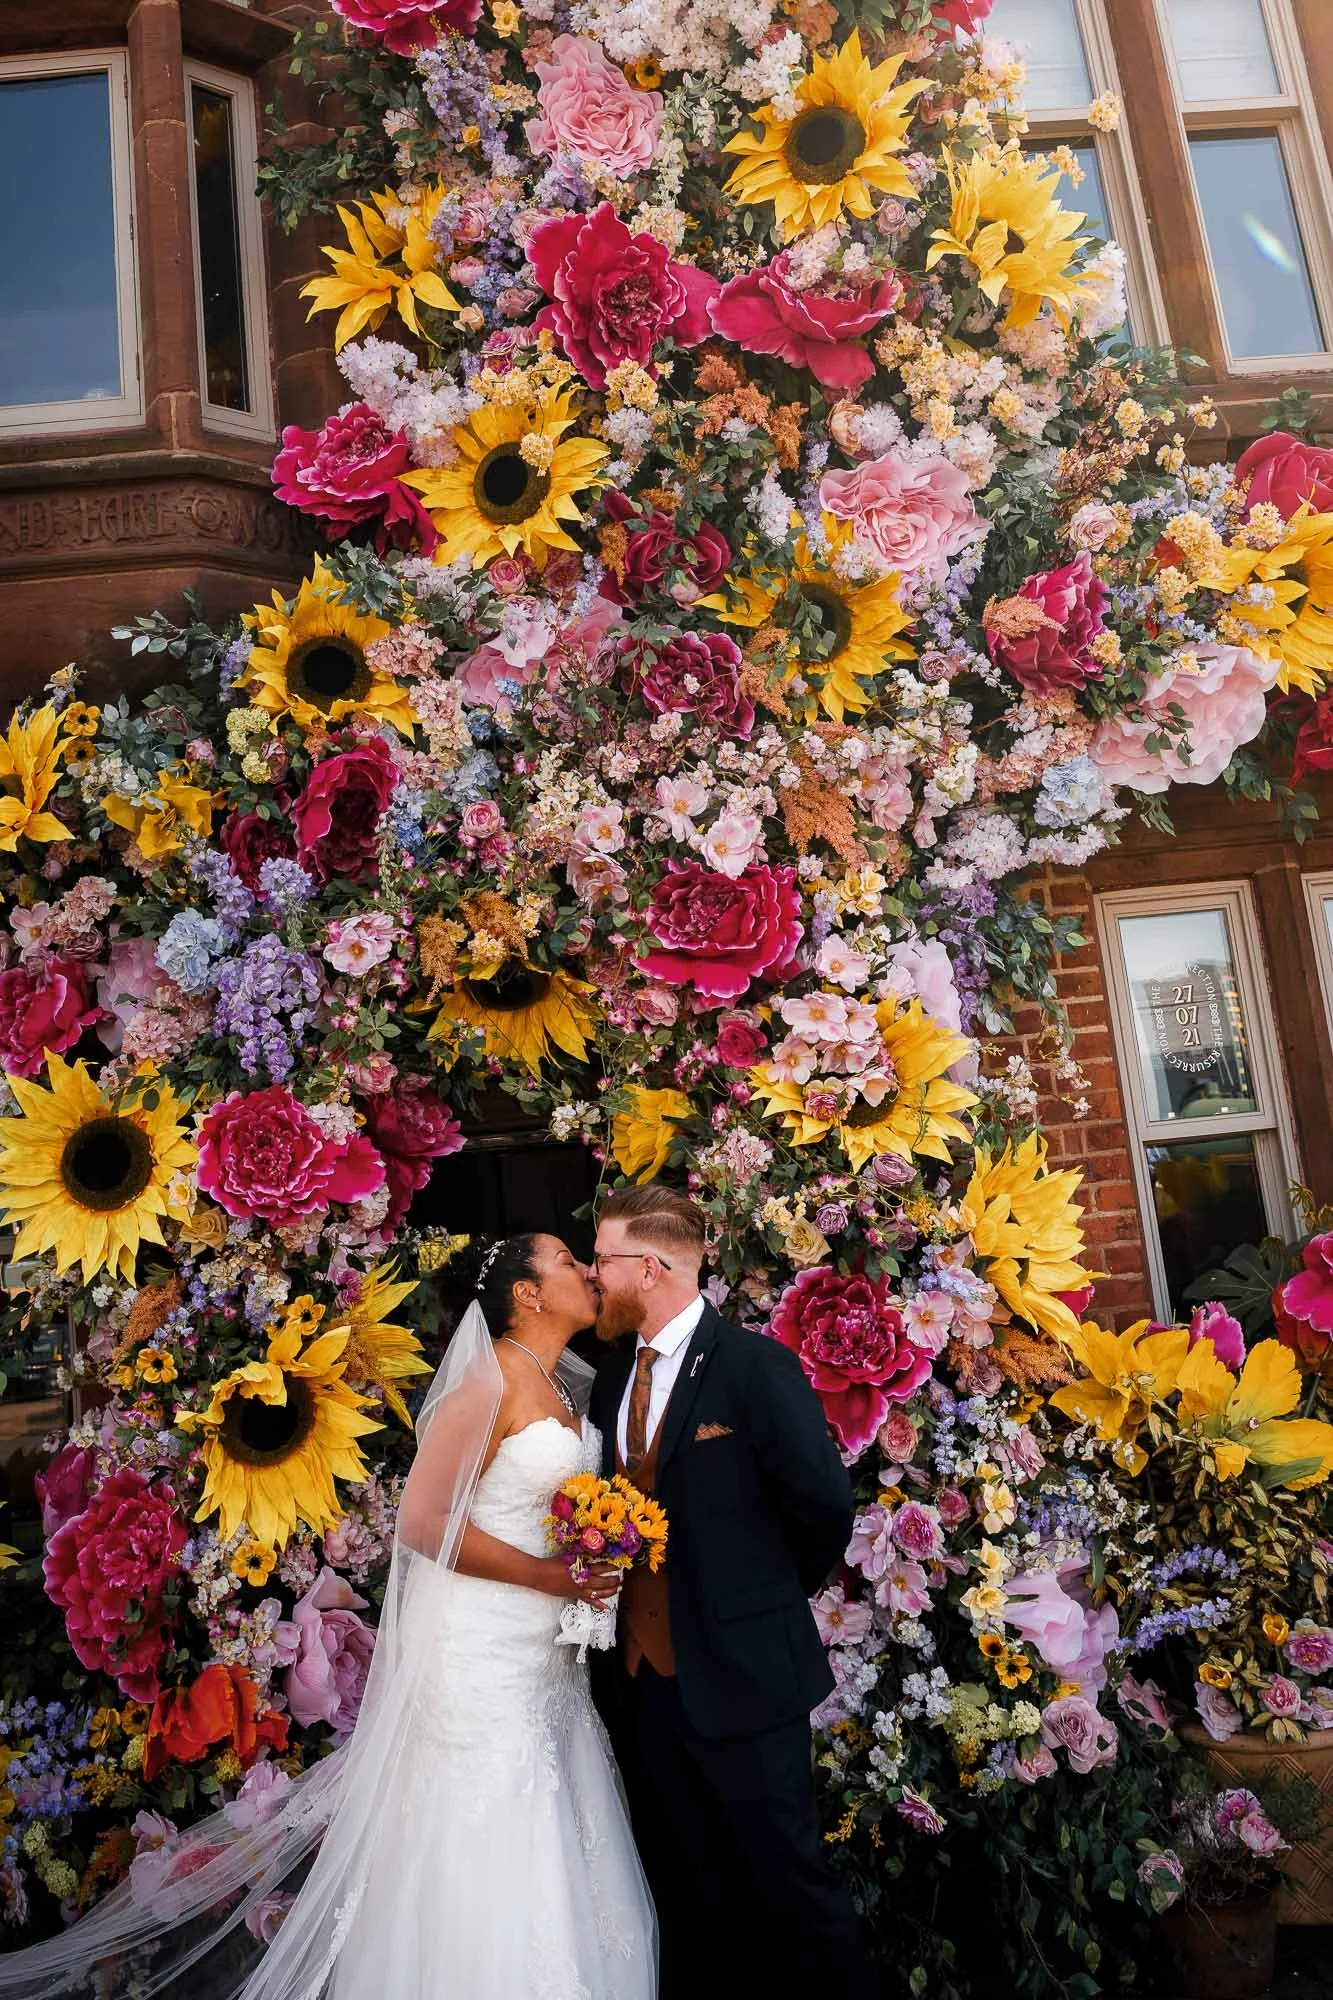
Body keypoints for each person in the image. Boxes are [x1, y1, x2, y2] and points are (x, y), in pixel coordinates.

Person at [0, 1233, 655, 2000]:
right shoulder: (491, 1378)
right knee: (487, 1819)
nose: (585, 1271)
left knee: (554, 1807)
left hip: (543, 1653)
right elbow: (421, 1521)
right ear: (528, 1294)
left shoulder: (564, 1381)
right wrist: (550, 1575)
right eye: (568, 1263)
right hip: (480, 1649)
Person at [587, 1184, 876, 2000]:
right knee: (686, 1887)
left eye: (603, 1261)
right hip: (642, 1685)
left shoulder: (754, 1367)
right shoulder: (612, 1383)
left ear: (648, 1266)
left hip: (745, 1674)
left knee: (788, 1881)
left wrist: (755, 1600)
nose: (593, 1278)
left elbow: (821, 1507)